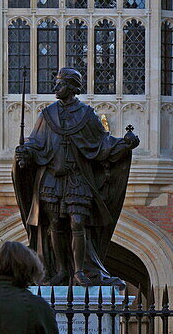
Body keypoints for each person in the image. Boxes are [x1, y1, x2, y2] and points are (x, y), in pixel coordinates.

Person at [12, 66, 140, 285]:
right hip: (52, 178)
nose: (55, 87)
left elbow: (101, 144)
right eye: (56, 83)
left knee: (77, 222)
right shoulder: (48, 114)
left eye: (60, 84)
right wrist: (25, 151)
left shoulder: (86, 115)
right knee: (55, 225)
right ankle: (62, 270)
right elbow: (35, 142)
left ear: (71, 87)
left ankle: (79, 271)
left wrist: (125, 144)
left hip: (77, 178)